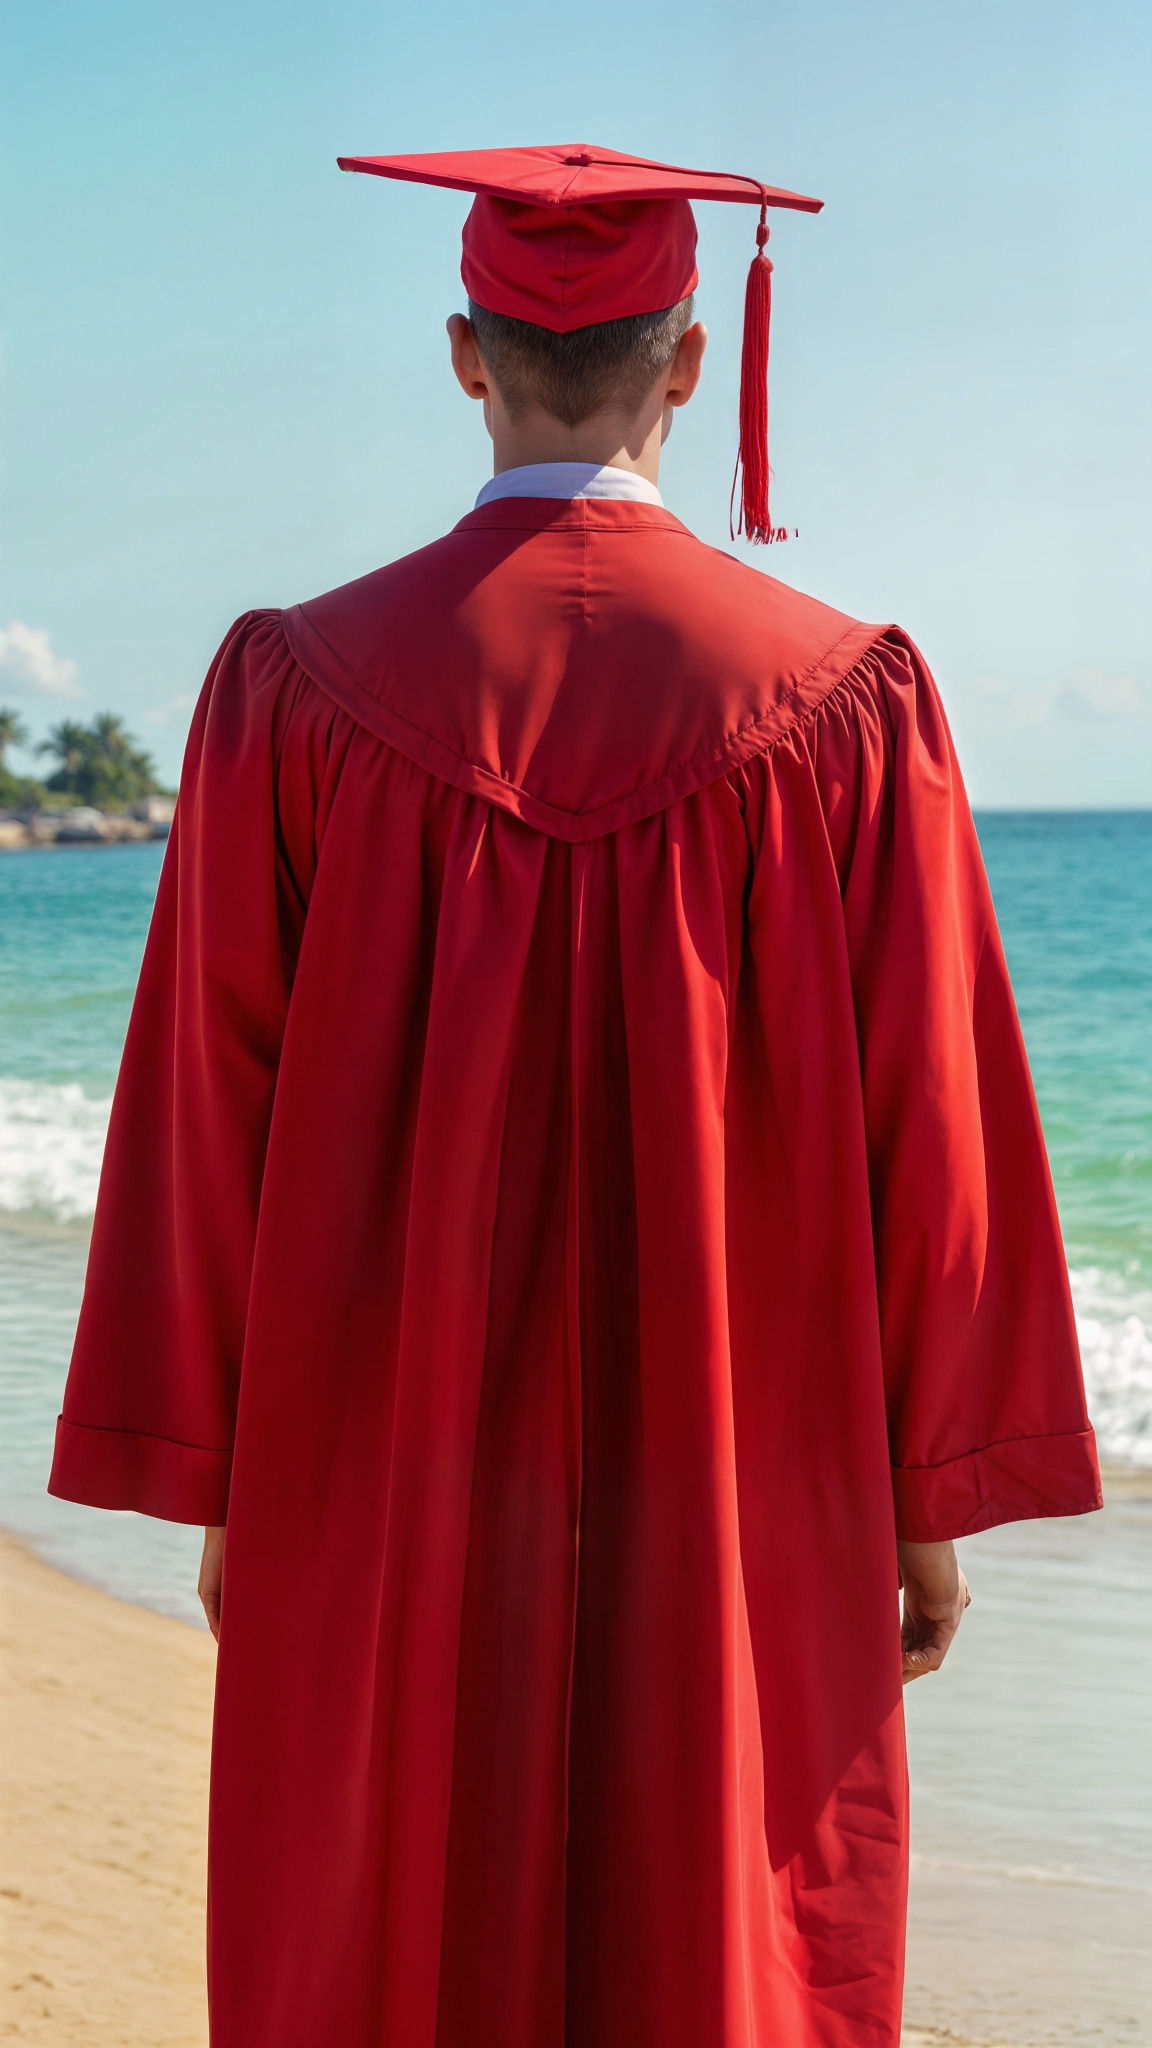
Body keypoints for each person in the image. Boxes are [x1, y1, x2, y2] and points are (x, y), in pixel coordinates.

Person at [48, 144, 1101, 2048]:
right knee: (716, 1916)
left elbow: (211, 1095)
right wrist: (924, 1488)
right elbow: (926, 1119)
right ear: (692, 360)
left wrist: (219, 1470)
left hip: (375, 1448)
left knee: (385, 1905)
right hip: (746, 1443)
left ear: (466, 357)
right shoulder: (849, 700)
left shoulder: (294, 687)